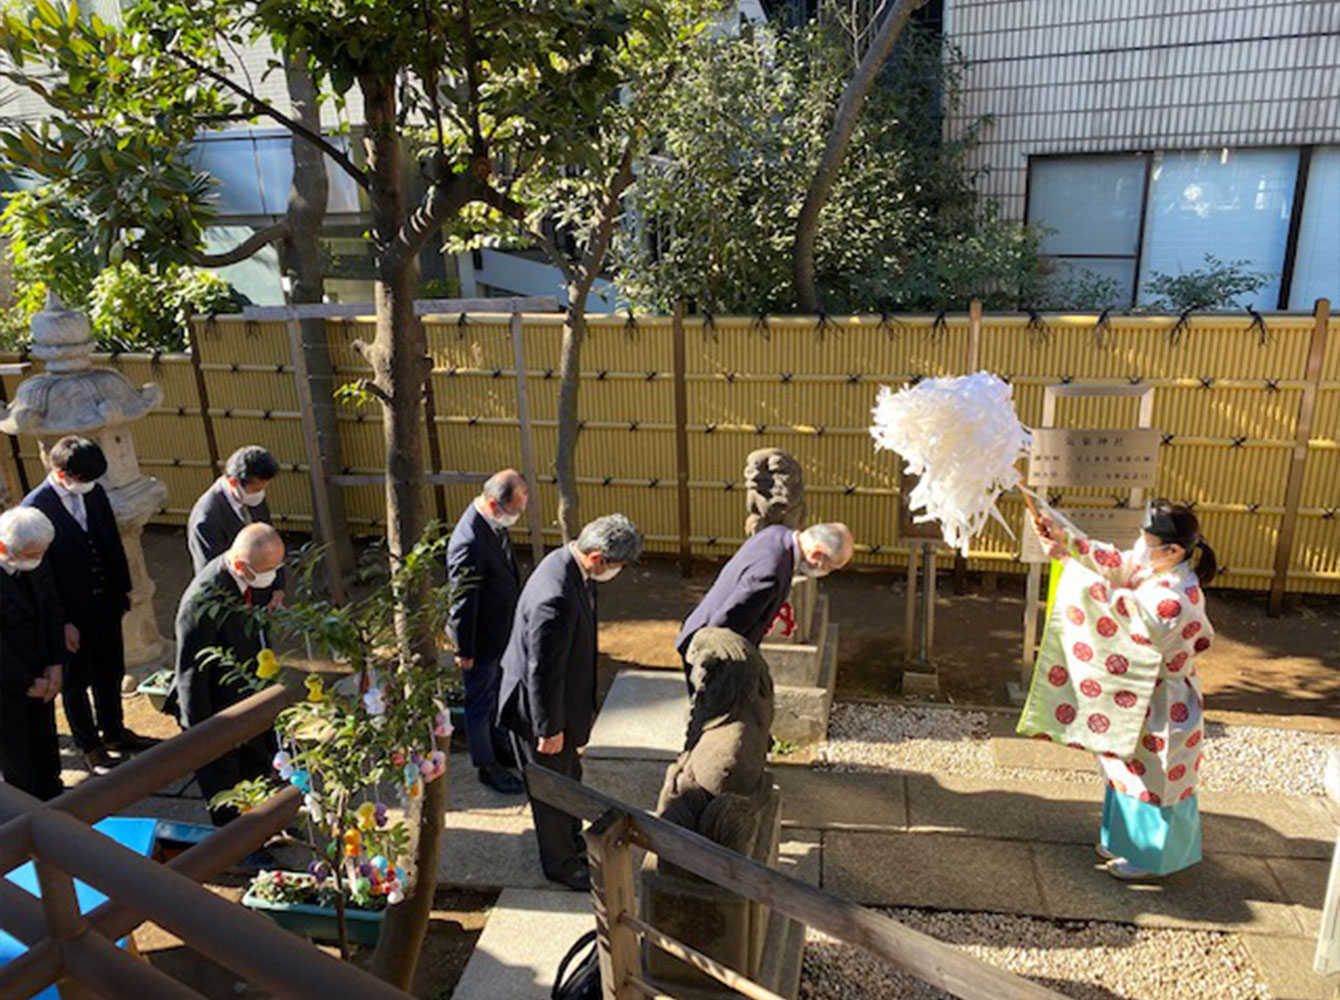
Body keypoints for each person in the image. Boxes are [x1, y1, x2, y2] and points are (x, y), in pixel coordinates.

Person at [1033, 499, 1218, 880]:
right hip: (1140, 689)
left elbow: (1121, 612)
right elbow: (1118, 563)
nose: (1139, 546)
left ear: (1174, 551)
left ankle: (1149, 854)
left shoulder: (1175, 597)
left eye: (1147, 541)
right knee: (1123, 767)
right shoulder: (1157, 567)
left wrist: (1068, 566)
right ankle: (1125, 838)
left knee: (1156, 776)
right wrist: (1065, 540)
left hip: (1164, 699)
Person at [497, 513, 643, 890]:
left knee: (568, 776)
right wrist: (550, 729)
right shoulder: (556, 596)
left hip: (554, 701)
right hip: (538, 711)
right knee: (550, 790)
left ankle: (572, 838)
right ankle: (560, 863)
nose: (618, 573)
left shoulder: (567, 563)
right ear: (597, 559)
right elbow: (542, 672)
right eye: (618, 566)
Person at [23, 436, 153, 775]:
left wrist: (123, 588)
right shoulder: (35, 508)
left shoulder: (93, 492)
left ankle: (114, 729)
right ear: (62, 472)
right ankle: (89, 744)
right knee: (75, 680)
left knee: (110, 668)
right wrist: (61, 622)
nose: (89, 485)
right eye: (83, 478)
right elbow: (41, 575)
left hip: (104, 600)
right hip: (68, 611)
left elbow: (109, 538)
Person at [174, 522, 285, 825]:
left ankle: (264, 825)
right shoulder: (202, 603)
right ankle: (236, 844)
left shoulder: (252, 574)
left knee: (259, 767)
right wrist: (201, 734)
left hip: (252, 692)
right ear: (239, 565)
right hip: (217, 707)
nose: (272, 578)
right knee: (225, 781)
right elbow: (191, 676)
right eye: (267, 571)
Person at [676, 522, 853, 687]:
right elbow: (727, 626)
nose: (825, 572)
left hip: (702, 628)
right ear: (816, 554)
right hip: (708, 651)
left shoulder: (776, 533)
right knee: (713, 718)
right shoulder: (769, 574)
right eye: (830, 567)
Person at [447, 469, 529, 795]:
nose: (518, 516)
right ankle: (486, 764)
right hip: (479, 641)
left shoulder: (492, 524)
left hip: (500, 633)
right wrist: (464, 650)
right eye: (515, 510)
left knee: (496, 694)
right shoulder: (469, 540)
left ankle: (499, 745)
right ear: (495, 505)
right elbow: (462, 602)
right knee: (479, 703)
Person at [0, 507, 66, 800]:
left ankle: (55, 802)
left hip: (41, 673)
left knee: (46, 750)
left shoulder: (33, 555)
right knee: (18, 762)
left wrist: (55, 663)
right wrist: (26, 683)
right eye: (30, 555)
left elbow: (51, 607)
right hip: (7, 686)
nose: (35, 560)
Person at [188, 445, 285, 606]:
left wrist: (278, 587)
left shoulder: (253, 497)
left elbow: (269, 541)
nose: (259, 494)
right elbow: (212, 577)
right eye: (256, 489)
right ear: (233, 482)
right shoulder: (206, 520)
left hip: (263, 597)